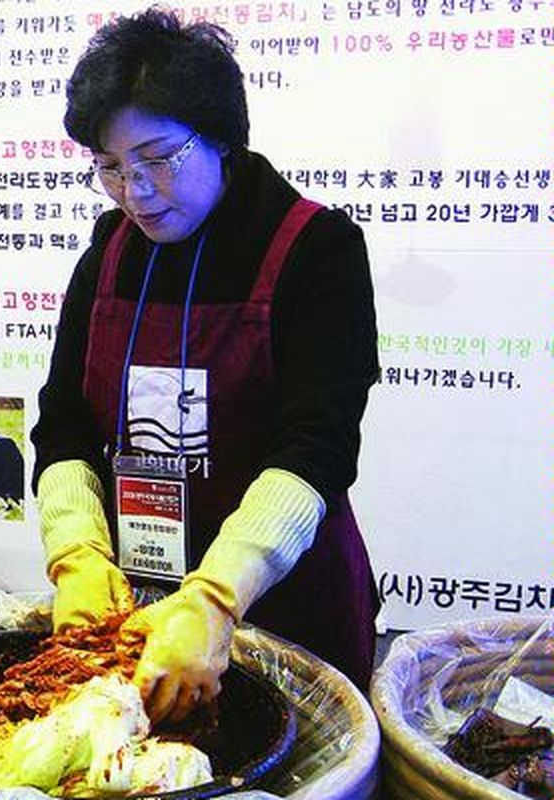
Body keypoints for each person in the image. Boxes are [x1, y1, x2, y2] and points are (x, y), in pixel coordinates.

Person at [31, 7, 380, 725]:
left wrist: (216, 597)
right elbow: (62, 425)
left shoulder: (317, 248)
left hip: (286, 603)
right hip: (145, 597)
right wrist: (77, 555)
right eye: (110, 168)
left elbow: (316, 450)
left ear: (221, 137)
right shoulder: (110, 251)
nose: (137, 192)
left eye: (159, 158)